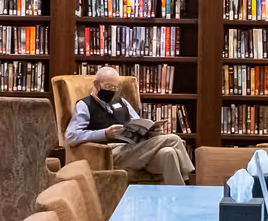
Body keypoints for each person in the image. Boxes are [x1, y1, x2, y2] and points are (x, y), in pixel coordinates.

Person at [64, 65, 194, 186]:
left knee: (169, 153)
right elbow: (70, 136)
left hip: (135, 149)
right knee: (173, 139)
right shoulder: (84, 105)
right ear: (96, 84)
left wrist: (151, 131)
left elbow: (138, 123)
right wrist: (105, 133)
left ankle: (179, 201)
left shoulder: (122, 102)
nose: (112, 91)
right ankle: (189, 179)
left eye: (115, 88)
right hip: (110, 152)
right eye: (109, 87)